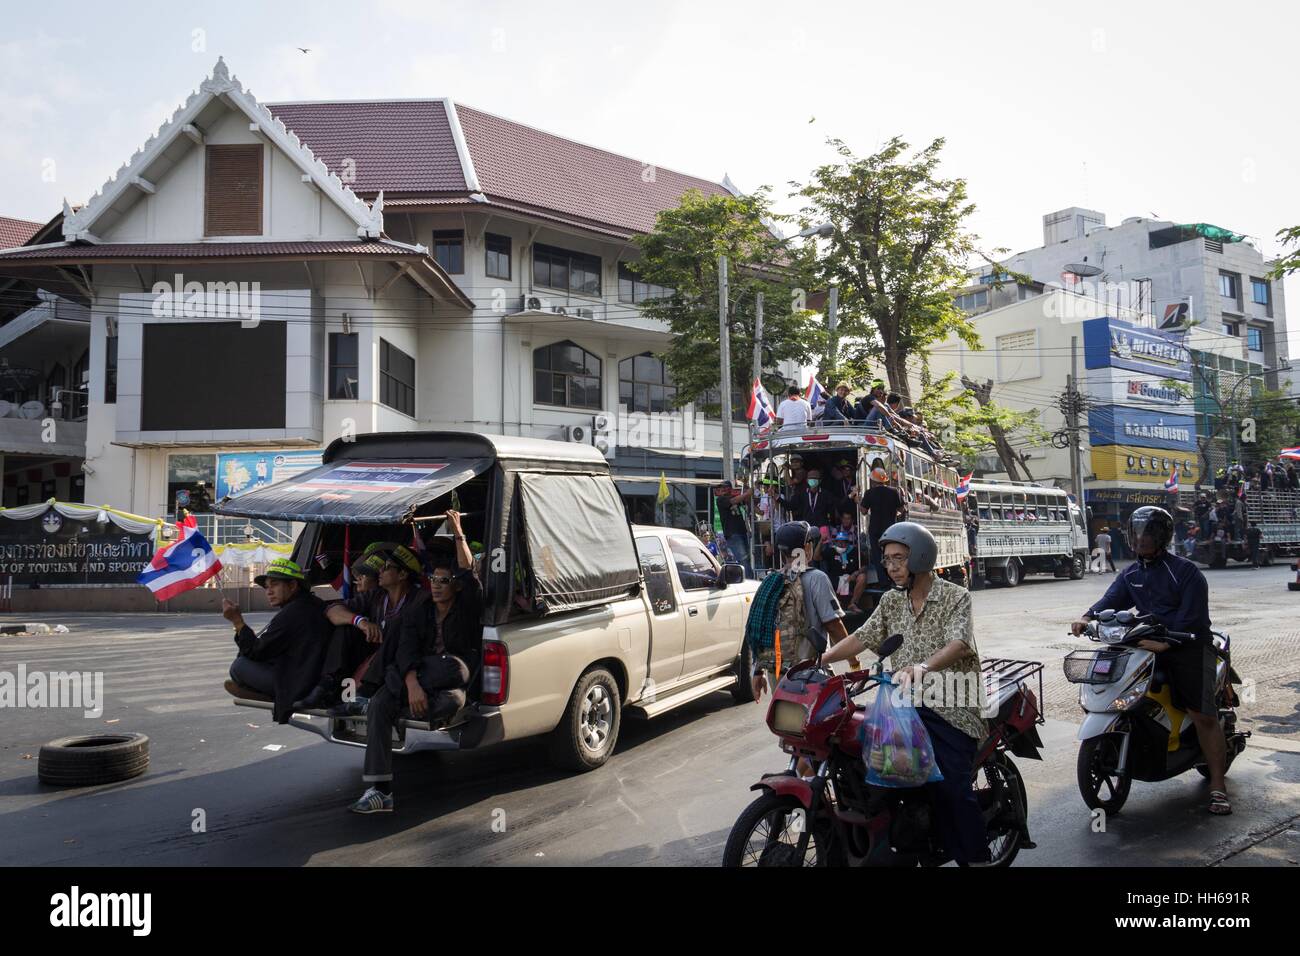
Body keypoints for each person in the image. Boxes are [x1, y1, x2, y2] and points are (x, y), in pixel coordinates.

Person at [821, 522, 993, 865]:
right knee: (863, 756)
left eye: (899, 558)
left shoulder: (954, 597)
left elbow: (959, 644)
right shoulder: (890, 601)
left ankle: (977, 858)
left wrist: (923, 668)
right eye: (887, 560)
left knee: (949, 787)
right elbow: (863, 637)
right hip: (906, 704)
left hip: (952, 705)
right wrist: (821, 658)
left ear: (921, 558)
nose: (892, 566)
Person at [1070, 506, 1231, 815]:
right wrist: (1086, 617)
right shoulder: (1132, 572)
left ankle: (1218, 786)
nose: (1141, 540)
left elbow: (1193, 619)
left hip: (1188, 647)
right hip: (1146, 644)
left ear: (1162, 537)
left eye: (1148, 534)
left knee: (1203, 716)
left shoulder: (1185, 572)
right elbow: (1111, 600)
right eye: (1136, 533)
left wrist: (1166, 643)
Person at [349, 511, 481, 814]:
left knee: (455, 673)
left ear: (456, 586)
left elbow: (469, 573)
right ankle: (379, 791)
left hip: (448, 672)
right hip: (420, 680)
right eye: (433, 579)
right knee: (385, 702)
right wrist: (411, 684)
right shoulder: (418, 610)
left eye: (444, 581)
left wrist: (458, 532)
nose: (436, 586)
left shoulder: (466, 607)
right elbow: (405, 652)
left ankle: (390, 693)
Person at [298, 542, 427, 710]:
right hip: (371, 656)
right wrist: (360, 621)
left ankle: (360, 696)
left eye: (386, 567)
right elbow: (332, 611)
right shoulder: (376, 595)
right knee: (346, 627)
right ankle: (327, 686)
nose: (379, 571)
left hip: (399, 659)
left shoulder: (420, 600)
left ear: (402, 574)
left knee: (394, 631)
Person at [223, 558, 333, 724]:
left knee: (239, 666)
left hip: (299, 682)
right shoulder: (312, 604)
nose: (269, 591)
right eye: (267, 587)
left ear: (292, 586)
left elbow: (256, 651)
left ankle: (278, 696)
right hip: (313, 677)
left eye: (274, 585)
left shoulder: (292, 613)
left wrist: (237, 622)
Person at [859, 464, 903, 588]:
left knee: (878, 556)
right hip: (891, 529)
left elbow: (863, 511)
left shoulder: (869, 493)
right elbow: (901, 509)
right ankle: (894, 580)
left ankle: (883, 582)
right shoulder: (894, 492)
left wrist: (858, 501)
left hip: (875, 529)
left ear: (873, 480)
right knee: (891, 555)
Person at [714, 480, 754, 578]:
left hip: (742, 532)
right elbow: (734, 501)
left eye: (725, 487)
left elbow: (746, 501)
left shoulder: (735, 498)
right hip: (733, 534)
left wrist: (746, 488)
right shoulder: (720, 500)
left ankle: (749, 580)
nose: (722, 489)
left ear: (730, 488)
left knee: (746, 559)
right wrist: (746, 493)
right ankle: (749, 582)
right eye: (721, 487)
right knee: (743, 559)